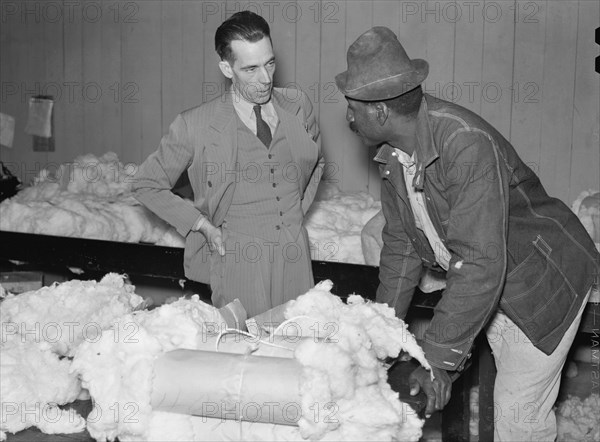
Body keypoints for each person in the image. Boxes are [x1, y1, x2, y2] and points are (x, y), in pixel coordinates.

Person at [335, 26, 599, 441]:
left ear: (380, 111)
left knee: (518, 418)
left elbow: (479, 263)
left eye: (352, 108)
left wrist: (439, 362)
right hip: (489, 280)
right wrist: (378, 333)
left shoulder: (464, 144)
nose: (348, 118)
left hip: (537, 284)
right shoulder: (393, 157)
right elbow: (402, 248)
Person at [133, 11, 324, 318]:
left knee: (298, 350)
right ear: (227, 68)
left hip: (295, 255)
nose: (265, 78)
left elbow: (315, 162)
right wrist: (201, 225)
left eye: (270, 63)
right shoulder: (195, 124)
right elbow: (146, 183)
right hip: (238, 258)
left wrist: (295, 214)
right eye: (250, 69)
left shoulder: (298, 106)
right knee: (243, 352)